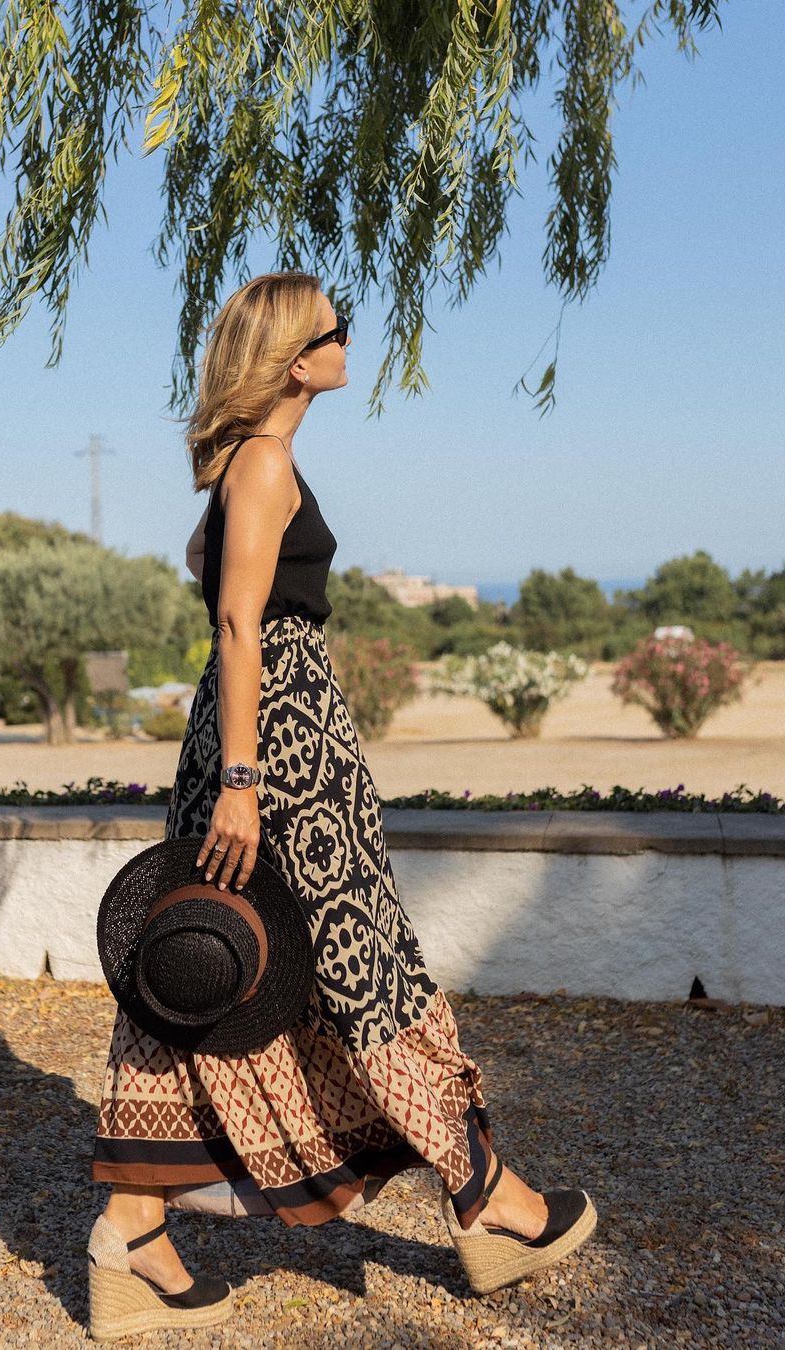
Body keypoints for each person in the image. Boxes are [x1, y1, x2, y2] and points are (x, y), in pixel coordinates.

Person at [86, 271, 596, 1339]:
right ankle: (490, 1201)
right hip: (278, 749)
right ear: (294, 358)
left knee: (206, 957)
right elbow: (240, 625)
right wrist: (242, 783)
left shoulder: (253, 462)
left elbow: (225, 598)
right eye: (336, 327)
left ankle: (131, 1230)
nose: (348, 340)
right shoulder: (265, 462)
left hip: (260, 732)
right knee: (360, 966)